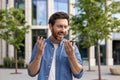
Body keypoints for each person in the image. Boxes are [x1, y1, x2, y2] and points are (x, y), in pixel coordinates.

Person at [28, 12, 84, 80]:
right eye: (59, 26)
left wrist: (71, 56)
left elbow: (79, 74)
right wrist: (38, 55)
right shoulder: (40, 45)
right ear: (51, 26)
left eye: (65, 27)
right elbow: (32, 73)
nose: (63, 30)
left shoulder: (72, 47)